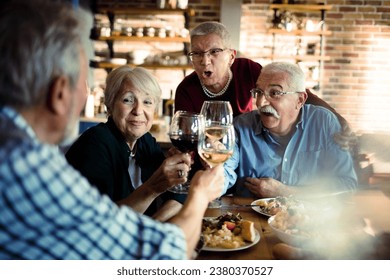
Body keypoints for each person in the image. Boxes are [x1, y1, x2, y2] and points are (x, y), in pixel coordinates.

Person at [0, 0, 223, 260]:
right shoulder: (30, 166)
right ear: (60, 93)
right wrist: (200, 194)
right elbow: (163, 258)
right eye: (81, 84)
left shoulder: (18, 148)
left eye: (148, 102)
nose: (139, 110)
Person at [174, 21, 356, 148]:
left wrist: (340, 122)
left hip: (249, 149)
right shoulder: (185, 90)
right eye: (197, 53)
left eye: (214, 52)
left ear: (231, 56)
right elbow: (187, 138)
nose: (205, 61)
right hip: (211, 156)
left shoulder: (247, 69)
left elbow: (294, 93)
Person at [66, 66, 189, 221]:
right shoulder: (95, 144)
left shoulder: (145, 142)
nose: (138, 110)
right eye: (128, 100)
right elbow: (98, 221)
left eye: (147, 102)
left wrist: (152, 225)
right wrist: (152, 189)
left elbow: (179, 196)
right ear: (110, 105)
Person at [223, 62, 358, 198]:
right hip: (248, 217)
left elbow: (346, 184)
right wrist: (213, 171)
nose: (260, 103)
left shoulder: (323, 122)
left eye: (275, 93)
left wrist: (285, 192)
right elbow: (223, 174)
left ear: (300, 100)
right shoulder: (240, 127)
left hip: (309, 218)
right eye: (258, 92)